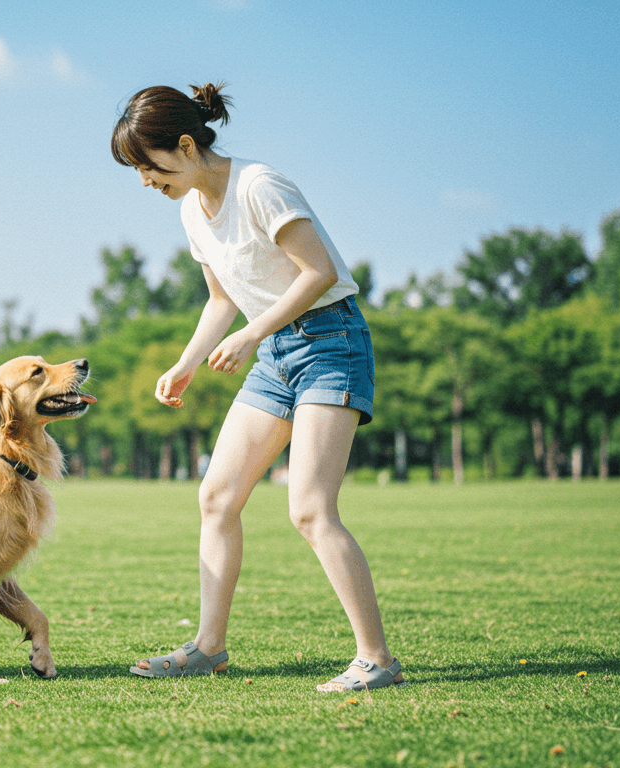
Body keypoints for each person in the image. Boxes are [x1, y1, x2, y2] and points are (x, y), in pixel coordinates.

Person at [111, 82, 403, 692]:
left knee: (311, 509)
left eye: (148, 166)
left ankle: (376, 659)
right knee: (217, 496)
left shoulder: (258, 186)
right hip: (275, 352)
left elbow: (319, 271)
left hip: (330, 342)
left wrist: (252, 334)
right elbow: (222, 301)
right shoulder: (193, 208)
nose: (145, 181)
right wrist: (186, 363)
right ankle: (208, 649)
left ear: (186, 146)